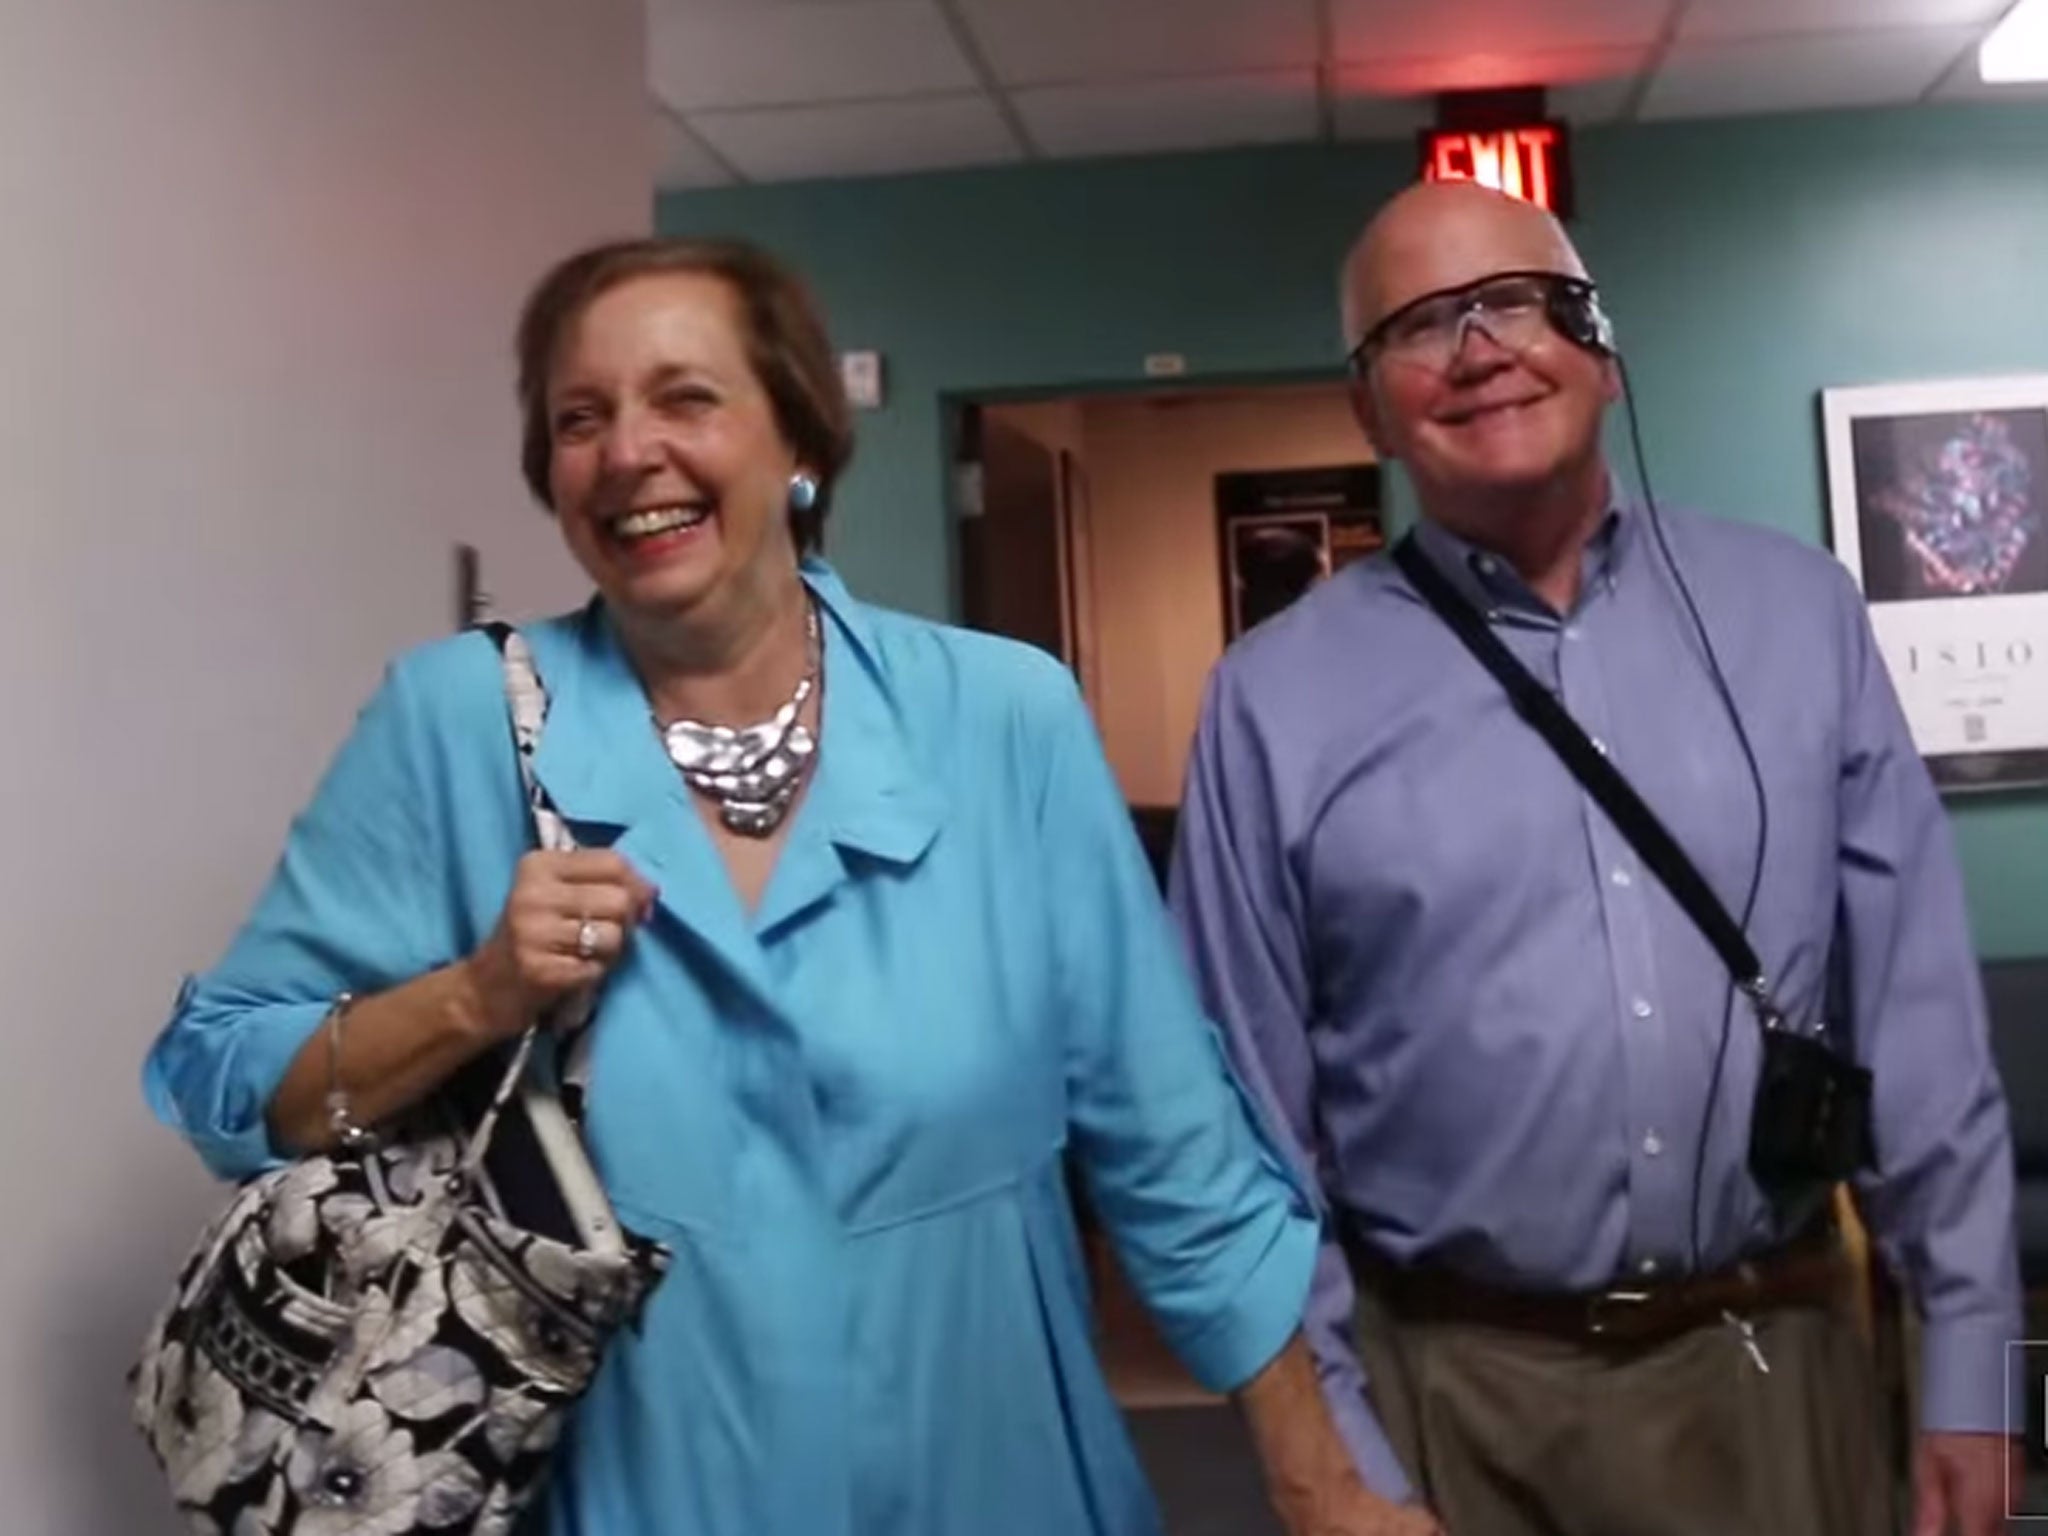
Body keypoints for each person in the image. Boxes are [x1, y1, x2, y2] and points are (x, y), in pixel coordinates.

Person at [142, 236, 1430, 1536]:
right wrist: (473, 996)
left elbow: (1176, 1146)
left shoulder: (1000, 721)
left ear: (800, 442)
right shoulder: (459, 724)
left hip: (991, 1478)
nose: (628, 448)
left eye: (685, 397)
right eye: (579, 418)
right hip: (642, 1497)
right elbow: (223, 1078)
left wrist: (1323, 1485)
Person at [1169, 181, 2022, 1536]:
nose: (1483, 347)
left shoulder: (1800, 618)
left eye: (1523, 302)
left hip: (1773, 1371)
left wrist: (1974, 1366)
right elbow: (1242, 1134)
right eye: (1422, 324)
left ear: (1603, 352)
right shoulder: (1273, 703)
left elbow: (1921, 1031)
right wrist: (1328, 1458)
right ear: (1367, 408)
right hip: (1449, 1400)